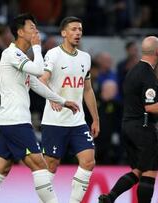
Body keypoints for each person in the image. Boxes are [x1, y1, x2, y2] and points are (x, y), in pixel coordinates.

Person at [0, 13, 80, 203]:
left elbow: (36, 84)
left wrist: (62, 101)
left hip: (10, 121)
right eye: (31, 27)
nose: (36, 30)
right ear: (20, 32)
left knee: (1, 170)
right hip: (16, 121)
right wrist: (37, 47)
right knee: (41, 166)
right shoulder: (11, 53)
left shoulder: (21, 57)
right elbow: (40, 70)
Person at [98, 36, 158, 203]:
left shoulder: (132, 71)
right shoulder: (148, 74)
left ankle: (109, 197)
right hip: (143, 127)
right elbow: (150, 106)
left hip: (128, 126)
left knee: (138, 170)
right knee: (150, 171)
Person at [39, 16, 100, 203]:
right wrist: (54, 98)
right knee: (51, 166)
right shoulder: (53, 54)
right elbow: (42, 80)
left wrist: (95, 119)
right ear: (63, 33)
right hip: (55, 120)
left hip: (77, 120)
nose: (78, 33)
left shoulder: (85, 58)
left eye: (80, 29)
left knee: (89, 161)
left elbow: (87, 90)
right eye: (73, 29)